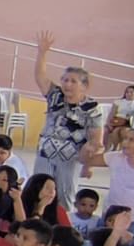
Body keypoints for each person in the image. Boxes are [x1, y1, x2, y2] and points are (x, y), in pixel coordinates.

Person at [32, 30, 103, 200]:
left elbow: (96, 140)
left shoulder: (92, 107)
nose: (67, 84)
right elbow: (40, 76)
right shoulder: (55, 95)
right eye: (65, 80)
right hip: (45, 154)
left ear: (84, 86)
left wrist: (88, 163)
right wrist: (42, 52)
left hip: (70, 159)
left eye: (73, 81)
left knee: (64, 197)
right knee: (37, 194)